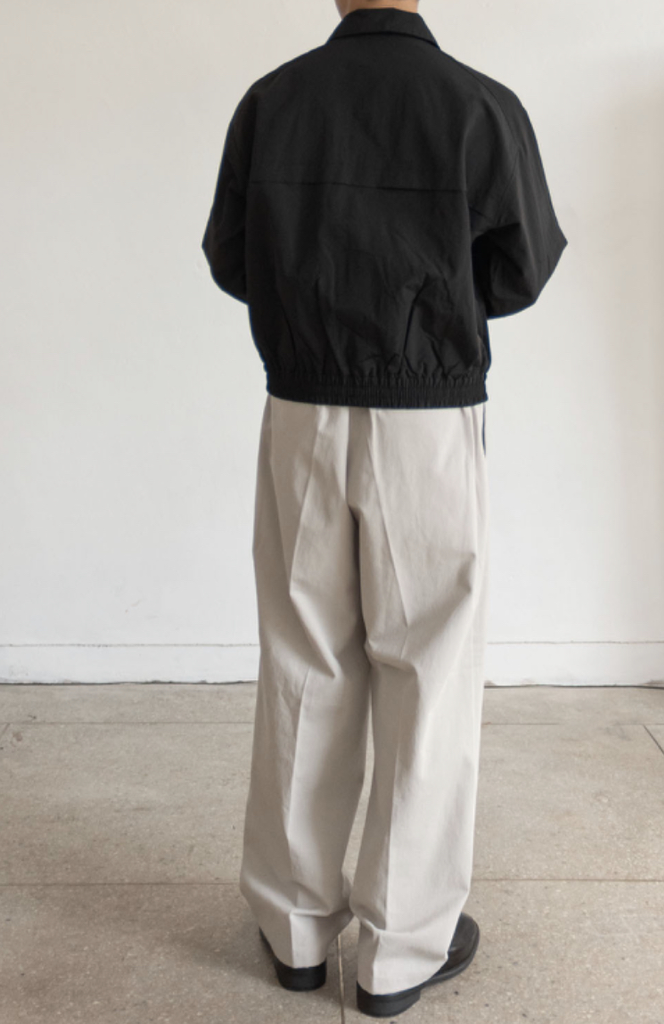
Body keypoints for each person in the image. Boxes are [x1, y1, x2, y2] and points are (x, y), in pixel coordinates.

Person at [201, 0, 567, 1016]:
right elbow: (521, 268)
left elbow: (232, 257)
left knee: (304, 660)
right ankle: (401, 952)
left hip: (302, 410)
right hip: (430, 418)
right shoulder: (479, 107)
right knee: (429, 671)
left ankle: (295, 932)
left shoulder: (274, 102)